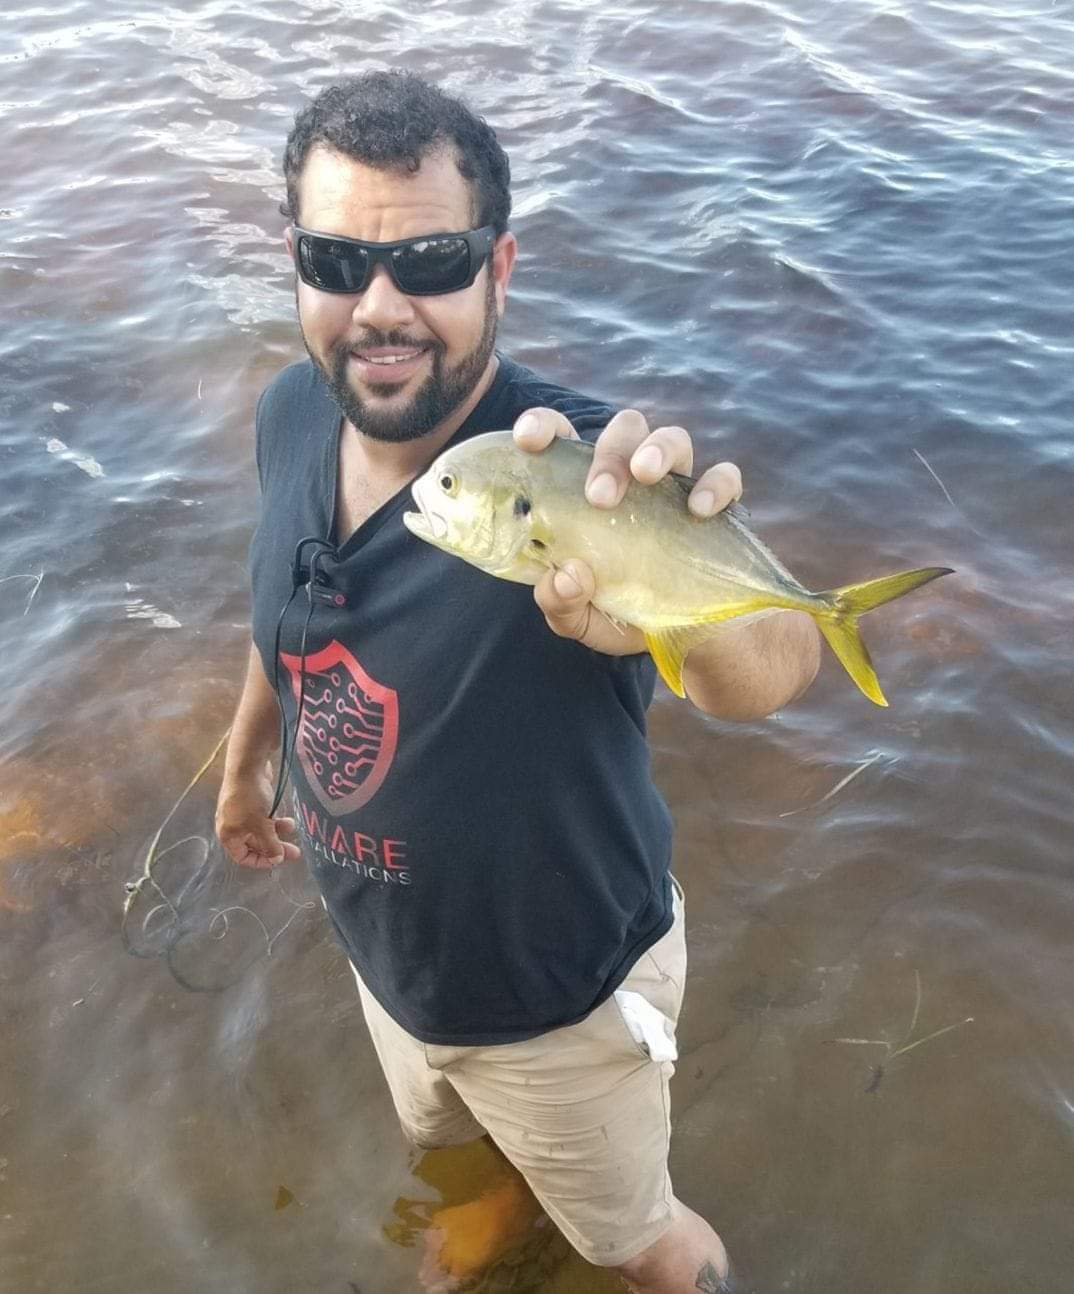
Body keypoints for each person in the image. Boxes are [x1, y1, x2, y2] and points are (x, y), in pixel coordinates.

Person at [215, 70, 820, 1294]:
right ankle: (498, 1189)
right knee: (450, 1140)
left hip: (560, 1005)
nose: (380, 307)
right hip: (391, 964)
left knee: (642, 1243)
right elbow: (285, 614)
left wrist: (669, 591)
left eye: (431, 261)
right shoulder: (291, 412)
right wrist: (244, 765)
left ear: (499, 267)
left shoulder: (586, 476)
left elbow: (777, 667)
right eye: (336, 261)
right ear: (296, 266)